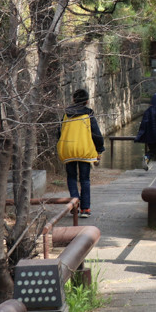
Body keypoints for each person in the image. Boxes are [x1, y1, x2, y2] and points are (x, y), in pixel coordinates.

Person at [59, 89, 105, 218]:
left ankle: (74, 205)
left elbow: (59, 132)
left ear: (73, 100)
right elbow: (96, 135)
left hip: (68, 150)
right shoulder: (88, 115)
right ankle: (85, 209)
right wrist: (100, 149)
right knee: (85, 179)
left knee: (71, 178)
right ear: (87, 101)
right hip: (84, 150)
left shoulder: (66, 115)